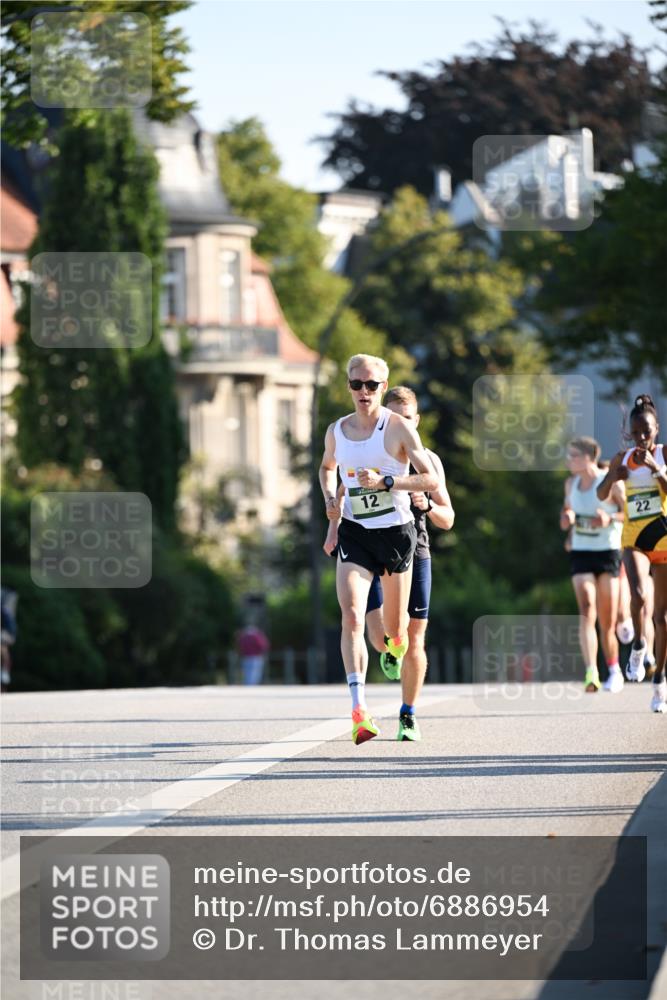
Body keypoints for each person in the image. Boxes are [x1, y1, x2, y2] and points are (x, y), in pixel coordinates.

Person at [324, 386, 454, 741]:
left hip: (414, 549)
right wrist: (333, 528)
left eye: (408, 418)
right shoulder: (370, 447)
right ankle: (383, 656)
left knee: (414, 637)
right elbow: (342, 491)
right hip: (366, 542)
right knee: (376, 637)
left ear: (416, 421)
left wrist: (425, 505)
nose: (402, 424)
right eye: (395, 416)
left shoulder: (428, 460)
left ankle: (408, 714)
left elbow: (449, 518)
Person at [597, 394, 667, 713]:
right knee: (638, 593)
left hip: (663, 538)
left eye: (647, 432)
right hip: (635, 537)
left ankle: (659, 683)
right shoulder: (622, 458)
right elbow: (600, 493)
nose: (641, 438)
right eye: (636, 432)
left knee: (662, 617)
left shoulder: (664, 455)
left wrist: (657, 471)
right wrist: (613, 477)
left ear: (657, 429)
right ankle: (638, 644)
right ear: (630, 433)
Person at [560, 437, 625, 693]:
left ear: (589, 457)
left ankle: (614, 668)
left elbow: (627, 514)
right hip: (581, 552)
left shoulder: (609, 482)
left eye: (573, 455)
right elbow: (566, 513)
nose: (568, 460)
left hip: (607, 552)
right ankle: (591, 671)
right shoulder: (570, 484)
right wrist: (567, 519)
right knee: (587, 608)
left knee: (607, 621)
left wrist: (608, 518)